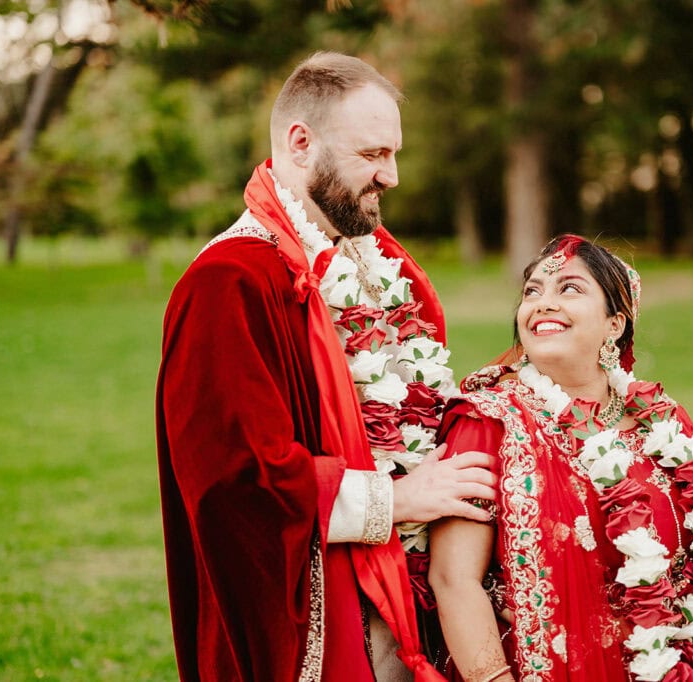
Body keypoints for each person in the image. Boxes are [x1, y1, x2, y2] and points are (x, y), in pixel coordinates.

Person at [155, 52, 497, 682]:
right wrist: (393, 498)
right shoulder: (229, 280)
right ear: (300, 142)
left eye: (393, 154)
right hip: (318, 619)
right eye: (372, 155)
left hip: (398, 590)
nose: (391, 175)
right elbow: (232, 477)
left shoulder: (369, 267)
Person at [429, 235, 693, 682]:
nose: (542, 303)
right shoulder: (487, 421)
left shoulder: (663, 421)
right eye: (532, 291)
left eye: (569, 289)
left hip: (675, 665)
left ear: (615, 324)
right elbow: (452, 578)